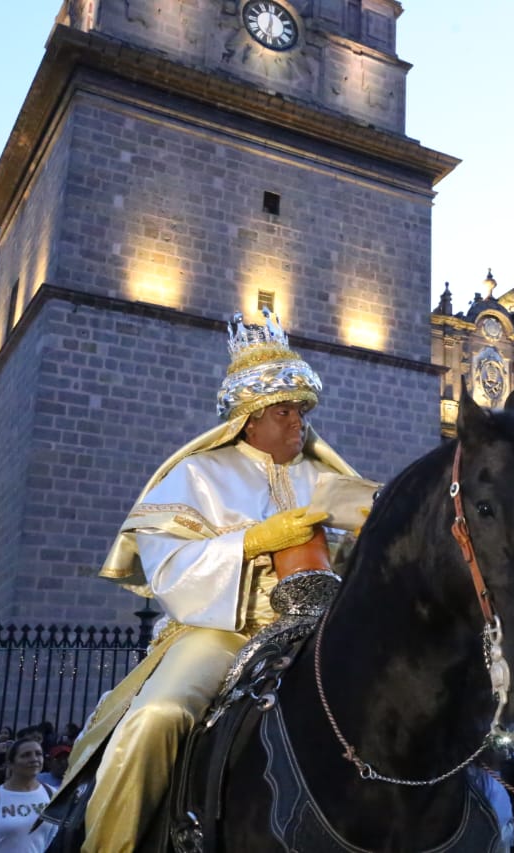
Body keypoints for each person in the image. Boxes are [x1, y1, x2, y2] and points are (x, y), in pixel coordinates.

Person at [47, 310, 368, 852]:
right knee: (158, 716)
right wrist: (251, 542)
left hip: (323, 632)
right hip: (224, 631)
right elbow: (168, 567)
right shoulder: (197, 474)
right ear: (249, 420)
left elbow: (372, 547)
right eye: (284, 411)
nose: (299, 422)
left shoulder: (327, 479)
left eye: (303, 410)